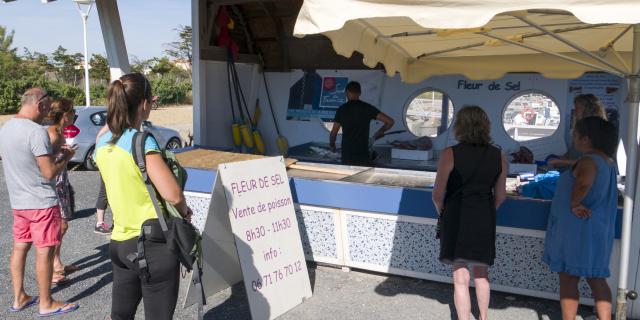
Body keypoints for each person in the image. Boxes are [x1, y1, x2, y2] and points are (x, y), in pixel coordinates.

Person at [95, 73, 192, 320]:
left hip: (119, 243)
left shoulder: (102, 143)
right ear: (145, 104)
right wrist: (185, 212)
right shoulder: (141, 142)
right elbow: (173, 194)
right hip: (151, 244)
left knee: (120, 315)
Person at [0, 88, 79, 316]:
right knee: (44, 251)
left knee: (20, 247)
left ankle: (19, 298)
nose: (47, 112)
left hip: (18, 201)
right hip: (41, 202)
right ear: (40, 104)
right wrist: (66, 157)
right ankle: (46, 302)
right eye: (47, 107)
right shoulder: (36, 132)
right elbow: (49, 173)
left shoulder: (6, 128)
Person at [432, 106, 508, 320]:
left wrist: (443, 213)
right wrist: (484, 211)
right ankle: (483, 317)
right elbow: (501, 196)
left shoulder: (450, 154)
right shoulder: (498, 156)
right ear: (486, 126)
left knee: (460, 276)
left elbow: (437, 195)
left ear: (459, 127)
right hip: (484, 216)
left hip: (456, 217)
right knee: (482, 274)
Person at [542, 117, 618, 320]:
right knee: (597, 279)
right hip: (598, 228)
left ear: (586, 138)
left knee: (568, 279)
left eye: (575, 134)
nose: (572, 138)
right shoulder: (608, 162)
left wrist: (575, 203)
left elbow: (584, 181)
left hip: (576, 229)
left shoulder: (588, 160)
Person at [45, 98, 81, 283]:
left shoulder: (59, 133)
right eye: (73, 111)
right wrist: (66, 155)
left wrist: (65, 152)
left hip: (62, 183)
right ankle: (49, 268)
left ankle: (57, 263)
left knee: (62, 225)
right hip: (54, 186)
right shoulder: (53, 134)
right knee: (60, 226)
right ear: (65, 115)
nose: (75, 114)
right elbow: (46, 165)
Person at [329, 81, 394, 166]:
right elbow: (390, 122)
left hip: (347, 156)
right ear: (360, 93)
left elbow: (334, 132)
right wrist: (381, 131)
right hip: (363, 155)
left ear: (347, 93)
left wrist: (332, 145)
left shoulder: (341, 110)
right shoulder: (367, 108)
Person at [548, 94, 607, 169]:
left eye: (577, 108)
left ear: (587, 109)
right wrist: (560, 158)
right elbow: (573, 152)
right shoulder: (580, 128)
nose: (574, 111)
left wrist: (562, 162)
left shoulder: (597, 130)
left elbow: (593, 161)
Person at [94, 124, 112, 235]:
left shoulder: (108, 126)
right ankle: (100, 223)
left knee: (104, 191)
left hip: (103, 160)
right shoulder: (115, 125)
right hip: (110, 162)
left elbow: (98, 137)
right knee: (107, 191)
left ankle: (100, 223)